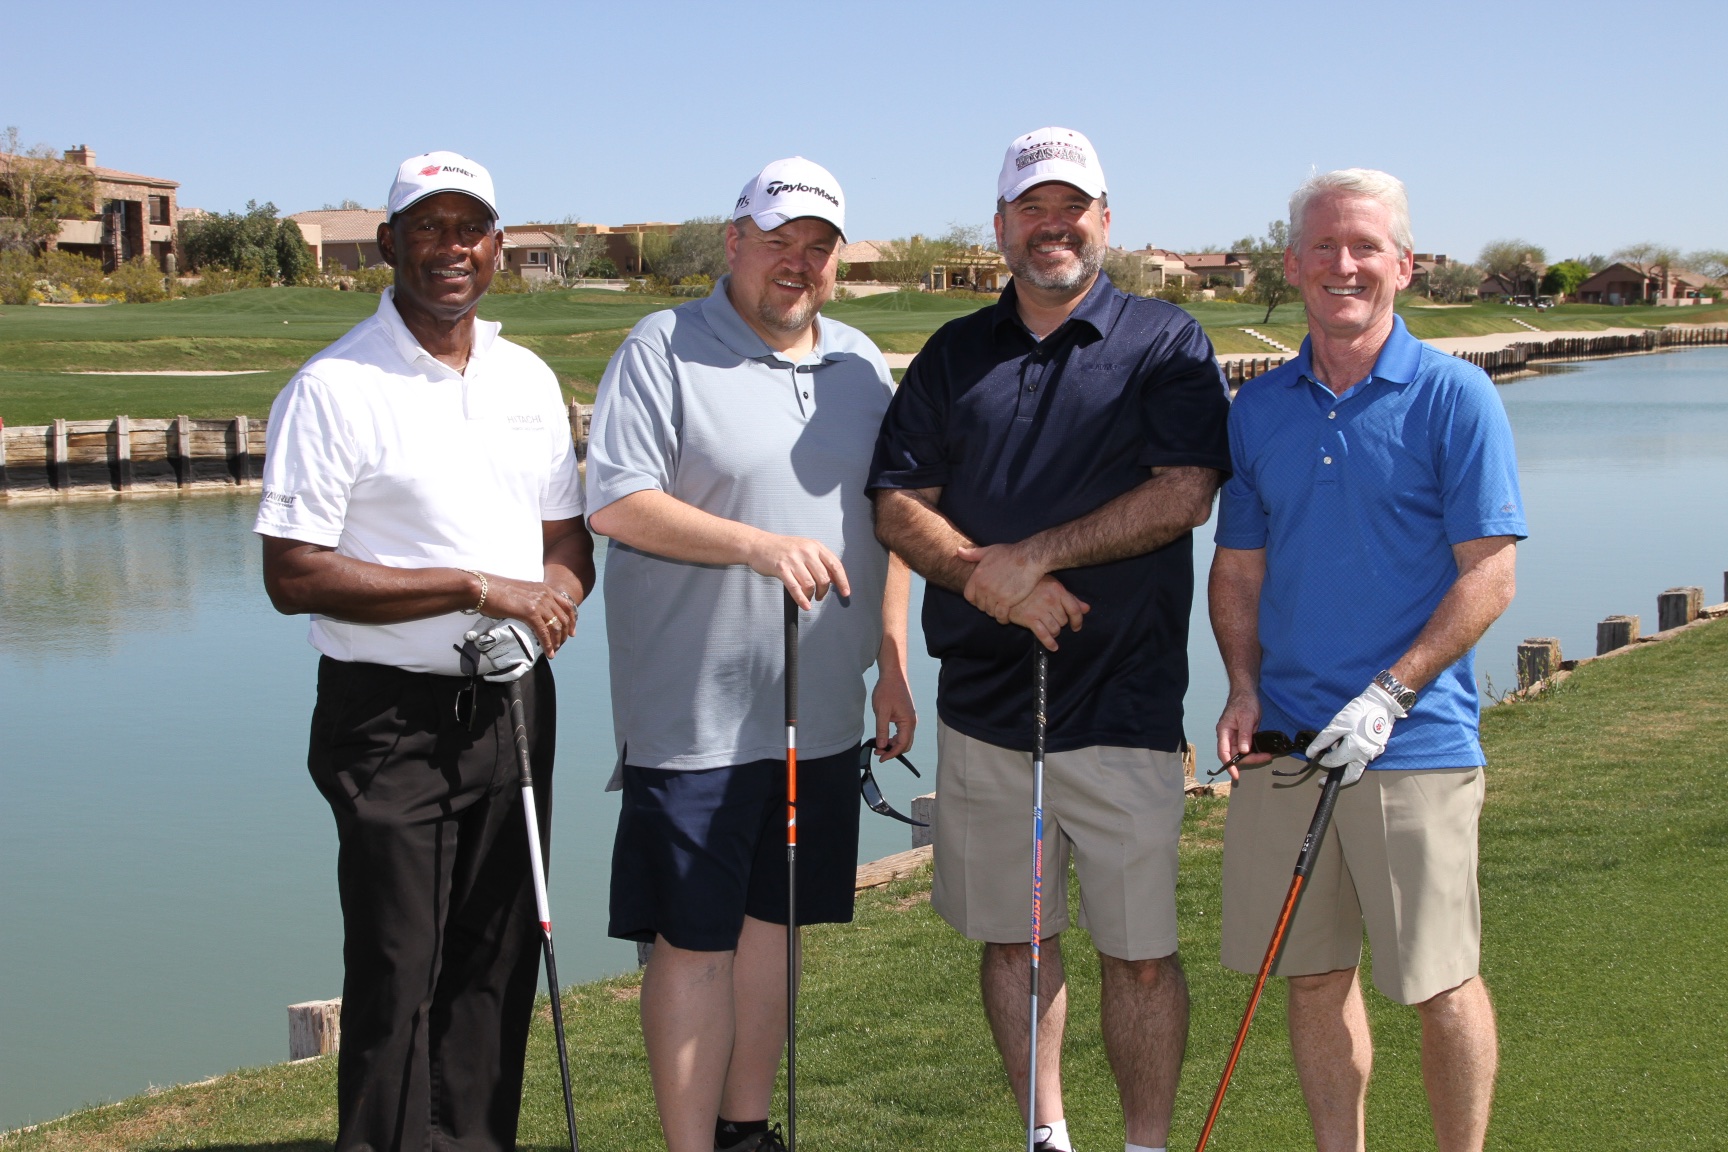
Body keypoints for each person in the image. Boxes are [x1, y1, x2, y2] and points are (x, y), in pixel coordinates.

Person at [870, 127, 1232, 1152]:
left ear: (1105, 221)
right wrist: (994, 584)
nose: (1052, 225)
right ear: (1000, 226)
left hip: (1123, 706)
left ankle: (1145, 1145)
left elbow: (1184, 492)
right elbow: (897, 504)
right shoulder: (953, 354)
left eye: (1072, 207)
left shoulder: (1165, 341)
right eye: (1032, 207)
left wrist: (1030, 558)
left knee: (1141, 956)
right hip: (987, 714)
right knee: (1015, 943)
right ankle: (1047, 1136)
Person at [256, 151, 594, 1152]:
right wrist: (476, 587)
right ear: (388, 244)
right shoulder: (334, 387)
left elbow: (565, 541)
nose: (453, 247)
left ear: (497, 246)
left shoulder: (526, 378)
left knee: (497, 961)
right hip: (388, 717)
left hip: (513, 706)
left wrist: (557, 598)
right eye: (429, 227)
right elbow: (293, 575)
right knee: (399, 967)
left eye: (471, 228)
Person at [584, 156, 915, 1152]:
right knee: (694, 944)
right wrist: (758, 547)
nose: (798, 262)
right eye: (779, 242)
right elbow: (618, 502)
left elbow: (890, 522)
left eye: (819, 246)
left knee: (775, 929)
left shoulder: (860, 364)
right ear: (734, 243)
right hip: (694, 716)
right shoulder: (662, 347)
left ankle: (745, 1132)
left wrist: (893, 659)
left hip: (820, 714)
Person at [1210, 168, 1525, 1152]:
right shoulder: (1259, 409)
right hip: (1288, 746)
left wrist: (1390, 693)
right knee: (1311, 978)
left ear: (1405, 265)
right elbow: (1239, 569)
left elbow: (1490, 574)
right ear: (1293, 265)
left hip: (1415, 744)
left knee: (1439, 982)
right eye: (1324, 247)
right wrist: (1243, 686)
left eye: (1365, 247)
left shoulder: (1456, 397)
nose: (1343, 265)